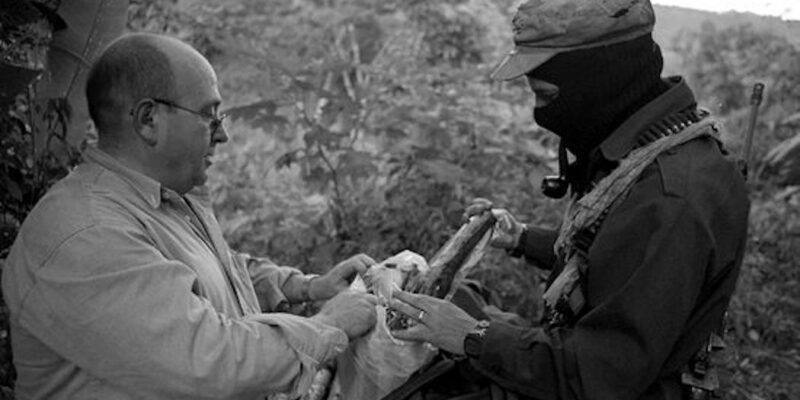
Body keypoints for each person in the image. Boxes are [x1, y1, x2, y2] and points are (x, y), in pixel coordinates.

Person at [388, 0, 750, 399]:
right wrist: (523, 238)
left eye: (546, 96)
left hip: (602, 382)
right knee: (458, 298)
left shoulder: (671, 197)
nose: (540, 113)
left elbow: (601, 374)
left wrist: (471, 336)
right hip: (579, 361)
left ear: (596, 84)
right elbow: (615, 254)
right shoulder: (647, 148)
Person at [1, 33, 379, 400]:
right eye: (209, 117)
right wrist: (328, 326)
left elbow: (216, 272)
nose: (223, 136)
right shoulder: (87, 235)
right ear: (149, 119)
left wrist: (307, 288)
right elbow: (210, 361)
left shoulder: (163, 198)